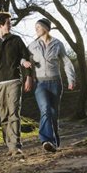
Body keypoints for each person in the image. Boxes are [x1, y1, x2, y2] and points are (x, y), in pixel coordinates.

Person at [0, 11, 33, 157]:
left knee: (14, 113)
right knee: (4, 117)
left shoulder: (16, 40)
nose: (10, 25)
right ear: (0, 25)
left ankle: (15, 146)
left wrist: (28, 76)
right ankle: (9, 145)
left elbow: (25, 58)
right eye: (8, 23)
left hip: (14, 81)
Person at [28, 18, 76, 152]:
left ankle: (54, 141)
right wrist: (24, 64)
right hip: (40, 84)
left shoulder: (57, 44)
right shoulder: (32, 45)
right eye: (35, 27)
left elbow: (66, 62)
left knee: (53, 114)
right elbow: (23, 58)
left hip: (55, 82)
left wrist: (71, 79)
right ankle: (46, 140)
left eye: (38, 27)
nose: (36, 29)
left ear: (46, 28)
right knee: (45, 110)